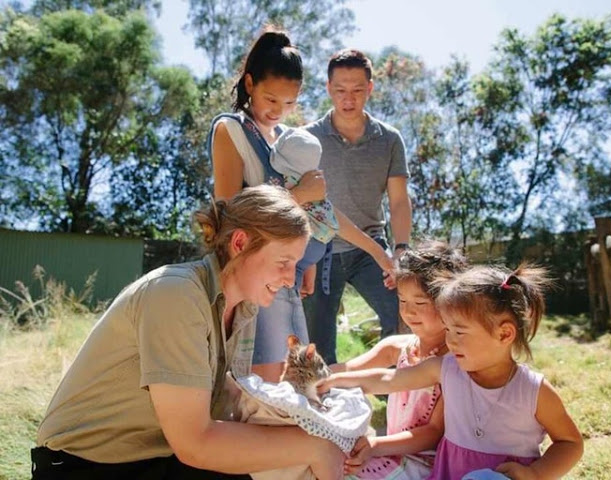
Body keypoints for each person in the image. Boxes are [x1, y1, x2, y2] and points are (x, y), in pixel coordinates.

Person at [32, 185, 344, 480]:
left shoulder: (242, 309)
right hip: (83, 466)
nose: (291, 279)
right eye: (283, 261)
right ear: (240, 244)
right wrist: (315, 447)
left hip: (153, 457)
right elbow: (195, 442)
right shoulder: (176, 294)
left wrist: (327, 432)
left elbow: (229, 406)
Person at [209, 29, 393, 382]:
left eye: (290, 103)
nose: (279, 111)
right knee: (267, 379)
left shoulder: (288, 141)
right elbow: (229, 217)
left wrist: (366, 252)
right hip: (253, 277)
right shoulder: (230, 131)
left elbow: (322, 212)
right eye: (271, 99)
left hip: (288, 277)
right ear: (249, 83)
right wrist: (299, 196)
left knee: (296, 375)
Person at [319, 264, 584, 480]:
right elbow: (389, 379)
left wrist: (535, 474)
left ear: (504, 333)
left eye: (460, 332)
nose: (451, 341)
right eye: (447, 330)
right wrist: (335, 379)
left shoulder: (534, 391)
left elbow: (570, 443)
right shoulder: (447, 370)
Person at [303, 48, 412, 365]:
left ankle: (391, 395)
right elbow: (311, 207)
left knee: (402, 311)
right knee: (319, 345)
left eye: (357, 90)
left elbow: (399, 200)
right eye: (340, 91)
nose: (348, 99)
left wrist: (401, 249)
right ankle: (326, 406)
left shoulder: (389, 140)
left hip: (370, 249)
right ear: (328, 89)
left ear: (370, 88)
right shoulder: (307, 139)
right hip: (319, 251)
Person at [330, 241, 467, 479]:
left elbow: (433, 432)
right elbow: (348, 368)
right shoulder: (397, 347)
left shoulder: (454, 363)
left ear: (450, 302)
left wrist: (375, 446)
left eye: (420, 302)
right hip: (389, 454)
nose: (409, 311)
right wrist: (314, 375)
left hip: (428, 465)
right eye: (402, 301)